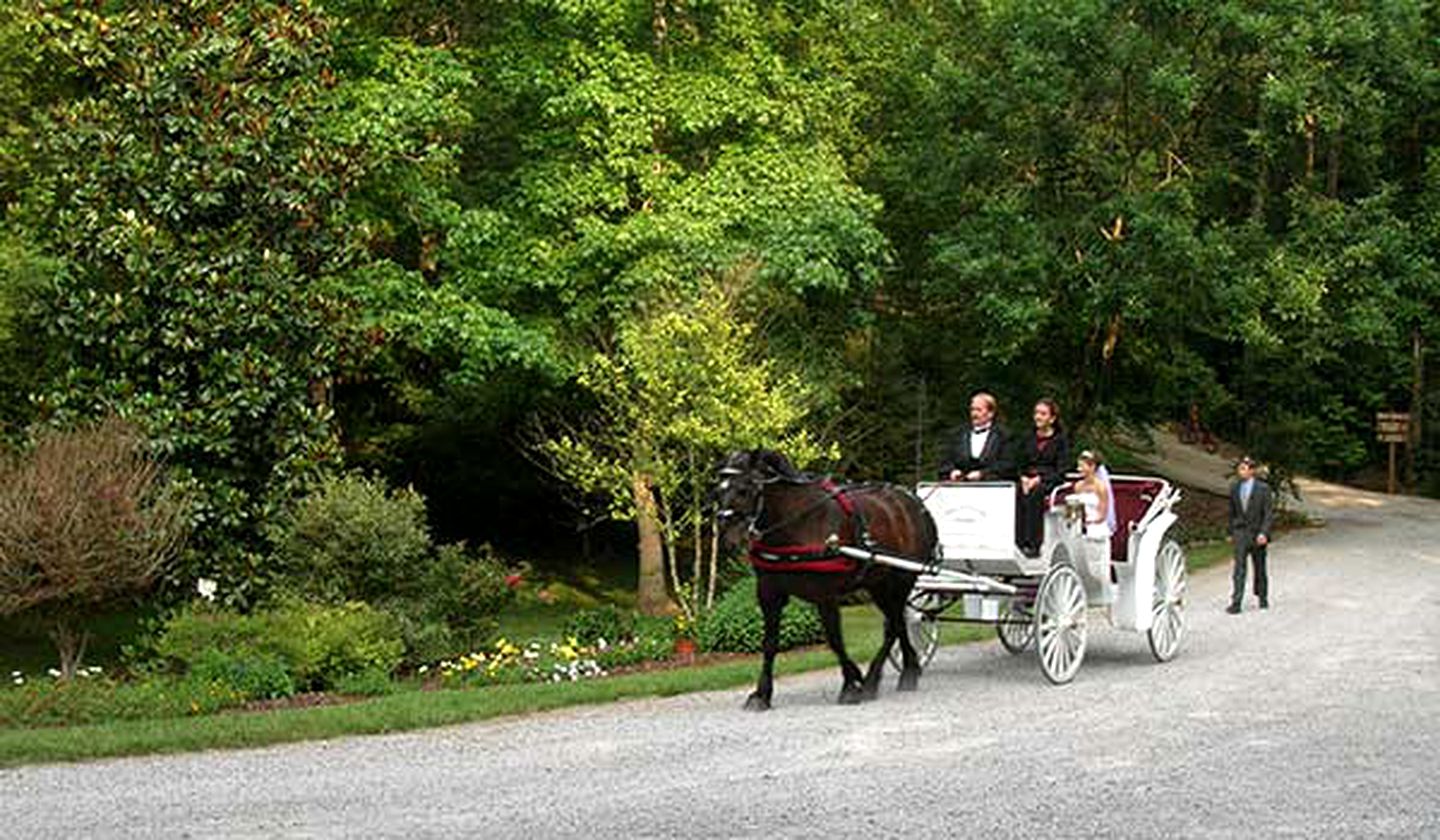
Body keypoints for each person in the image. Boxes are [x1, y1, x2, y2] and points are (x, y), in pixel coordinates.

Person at [1015, 398, 1070, 558]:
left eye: (1043, 414)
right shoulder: (1027, 438)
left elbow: (1062, 469)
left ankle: (1033, 544)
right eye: (1036, 413)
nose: (1038, 417)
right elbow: (1018, 463)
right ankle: (1017, 541)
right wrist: (1023, 478)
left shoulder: (1060, 440)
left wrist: (1039, 479)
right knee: (1016, 492)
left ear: (1052, 419)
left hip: (1049, 480)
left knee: (1035, 492)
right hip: (1027, 478)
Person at [1227, 455, 1274, 613]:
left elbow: (1268, 514)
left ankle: (1262, 597)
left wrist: (1264, 533)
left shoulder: (1263, 489)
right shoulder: (1234, 488)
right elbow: (1232, 512)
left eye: (1244, 469)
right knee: (1239, 568)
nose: (1241, 472)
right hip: (1241, 532)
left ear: (1252, 471)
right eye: (1239, 469)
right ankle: (1236, 602)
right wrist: (1232, 530)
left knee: (1259, 567)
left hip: (1257, 533)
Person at [938, 391, 1014, 482]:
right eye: (972, 409)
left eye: (978, 410)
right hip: (960, 488)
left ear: (991, 413)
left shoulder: (1004, 435)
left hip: (992, 487)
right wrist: (952, 471)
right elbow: (945, 461)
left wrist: (982, 474)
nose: (974, 414)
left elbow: (1007, 465)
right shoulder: (957, 434)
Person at [1070, 450, 1113, 578]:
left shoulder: (1101, 487)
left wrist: (1091, 521)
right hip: (1082, 523)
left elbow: (1103, 512)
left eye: (1082, 466)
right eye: (1079, 466)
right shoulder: (1078, 486)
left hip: (1096, 524)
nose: (1079, 469)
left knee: (1096, 559)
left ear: (1092, 467)